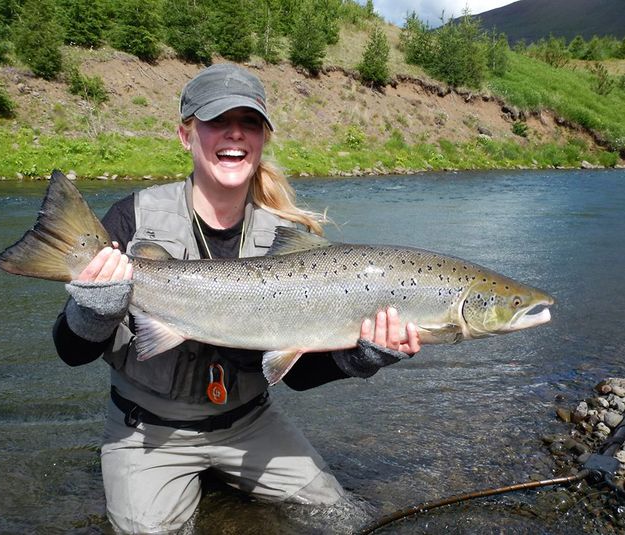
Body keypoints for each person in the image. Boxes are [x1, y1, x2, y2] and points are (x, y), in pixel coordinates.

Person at [53, 63, 421, 534]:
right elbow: (69, 351)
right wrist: (92, 311)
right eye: (216, 121)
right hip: (148, 428)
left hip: (249, 423)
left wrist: (360, 357)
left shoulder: (290, 240)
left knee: (345, 518)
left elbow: (297, 375)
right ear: (186, 135)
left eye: (249, 123)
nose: (235, 135)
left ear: (263, 138)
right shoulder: (132, 219)